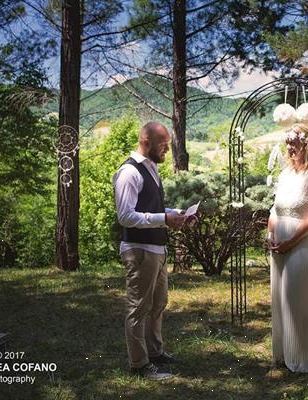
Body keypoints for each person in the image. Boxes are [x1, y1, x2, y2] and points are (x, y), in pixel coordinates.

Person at [113, 121, 192, 381]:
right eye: (163, 144)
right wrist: (163, 219)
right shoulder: (129, 172)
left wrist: (174, 214)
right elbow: (125, 217)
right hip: (139, 251)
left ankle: (156, 354)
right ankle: (139, 365)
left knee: (158, 304)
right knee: (138, 308)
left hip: (156, 248)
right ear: (146, 142)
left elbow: (151, 206)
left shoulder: (151, 168)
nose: (167, 149)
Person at [268, 123, 308, 373]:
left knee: (298, 297)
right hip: (278, 241)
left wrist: (290, 242)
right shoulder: (285, 174)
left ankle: (304, 356)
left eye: (294, 143)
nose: (290, 148)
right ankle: (285, 353)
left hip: (300, 242)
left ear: (307, 144)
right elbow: (275, 208)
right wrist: (271, 234)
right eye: (287, 143)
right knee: (280, 297)